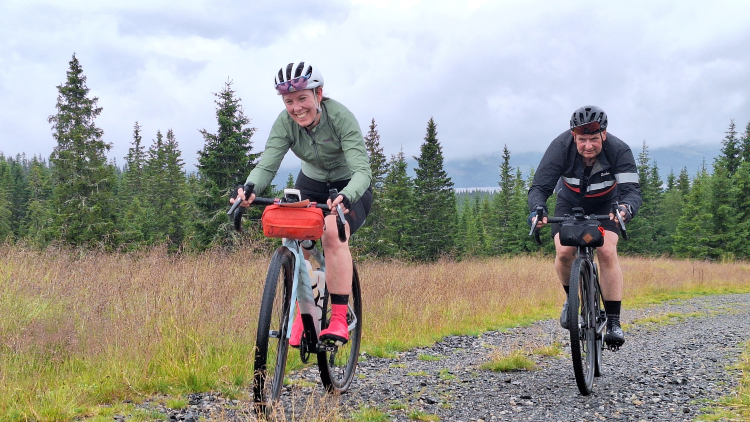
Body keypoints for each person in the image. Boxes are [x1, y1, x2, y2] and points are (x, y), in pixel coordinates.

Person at [231, 62, 372, 345]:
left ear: (319, 94)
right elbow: (267, 164)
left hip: (349, 185)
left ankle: (339, 318)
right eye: (289, 101)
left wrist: (347, 195)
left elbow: (362, 171)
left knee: (332, 233)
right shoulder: (285, 123)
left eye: (302, 98)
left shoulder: (341, 118)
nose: (296, 108)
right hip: (311, 182)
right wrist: (249, 188)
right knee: (293, 234)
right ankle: (303, 313)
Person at [528, 105, 641, 348]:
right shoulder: (559, 148)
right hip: (568, 202)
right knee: (563, 252)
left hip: (606, 205)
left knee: (607, 251)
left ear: (604, 134)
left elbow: (632, 191)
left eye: (593, 139)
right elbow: (540, 187)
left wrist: (625, 209)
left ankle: (613, 321)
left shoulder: (619, 150)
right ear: (573, 136)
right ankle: (572, 299)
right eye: (582, 139)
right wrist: (538, 210)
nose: (588, 145)